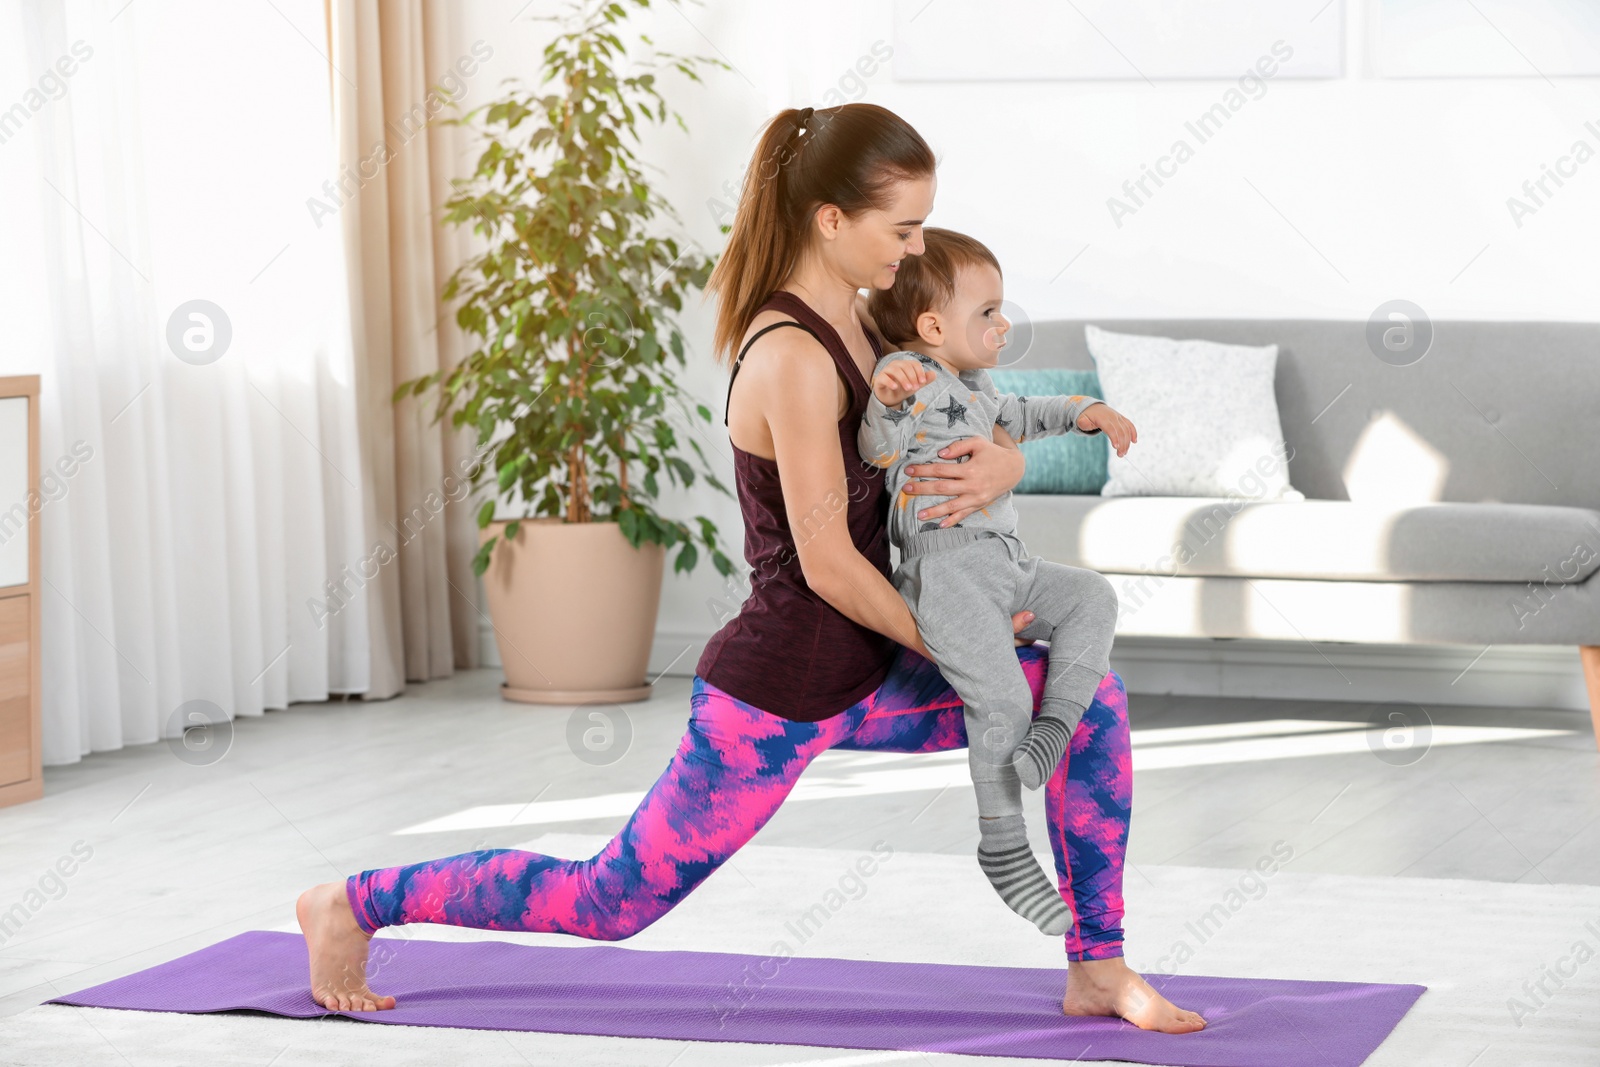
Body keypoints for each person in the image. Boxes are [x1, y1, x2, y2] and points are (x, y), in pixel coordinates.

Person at [296, 101, 1205, 1035]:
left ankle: (1097, 963)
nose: (915, 246)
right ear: (832, 221)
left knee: (1092, 699)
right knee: (611, 900)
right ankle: (353, 901)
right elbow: (831, 569)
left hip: (878, 664)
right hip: (783, 687)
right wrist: (964, 642)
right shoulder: (794, 356)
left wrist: (1009, 464)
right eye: (901, 228)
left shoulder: (861, 318)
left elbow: (968, 405)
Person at [858, 226, 1134, 937]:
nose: (1003, 322)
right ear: (932, 326)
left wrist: (1083, 413)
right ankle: (1004, 844)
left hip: (1005, 563)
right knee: (1000, 695)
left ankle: (1055, 728)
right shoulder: (910, 379)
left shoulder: (979, 384)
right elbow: (876, 450)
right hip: (947, 575)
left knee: (1094, 596)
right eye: (989, 311)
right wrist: (886, 397)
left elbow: (1024, 418)